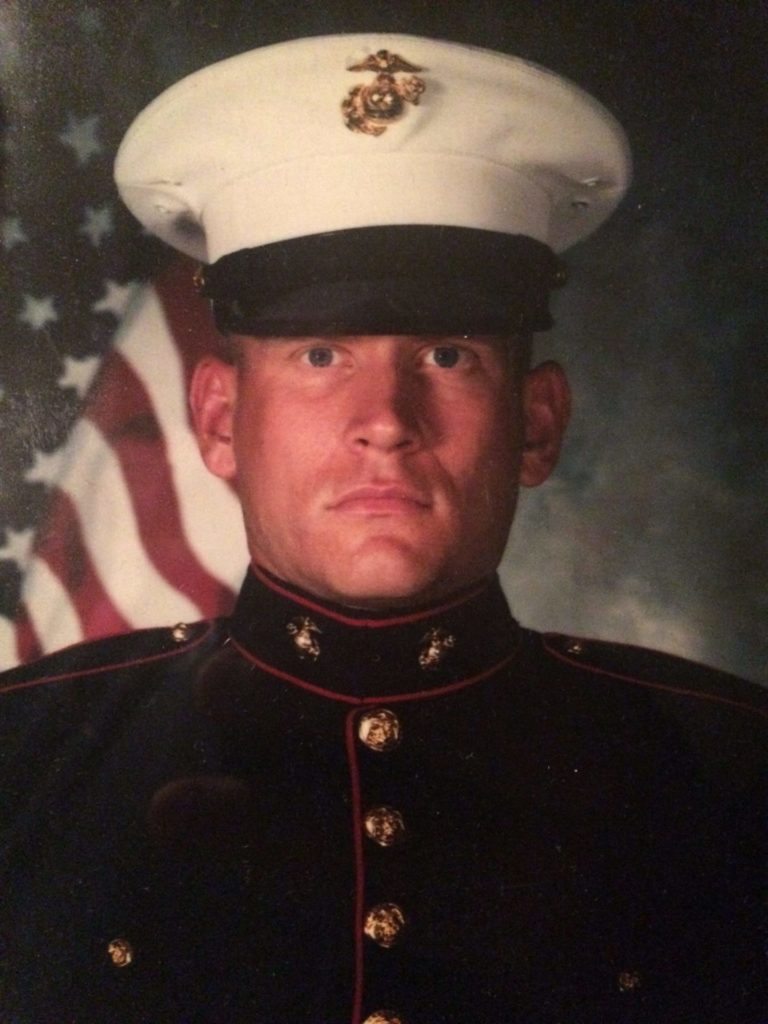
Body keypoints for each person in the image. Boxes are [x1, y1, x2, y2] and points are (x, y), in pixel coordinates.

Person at [0, 34, 765, 1024]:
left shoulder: (733, 770)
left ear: (536, 425)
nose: (388, 421)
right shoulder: (24, 760)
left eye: (448, 354)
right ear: (221, 421)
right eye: (321, 354)